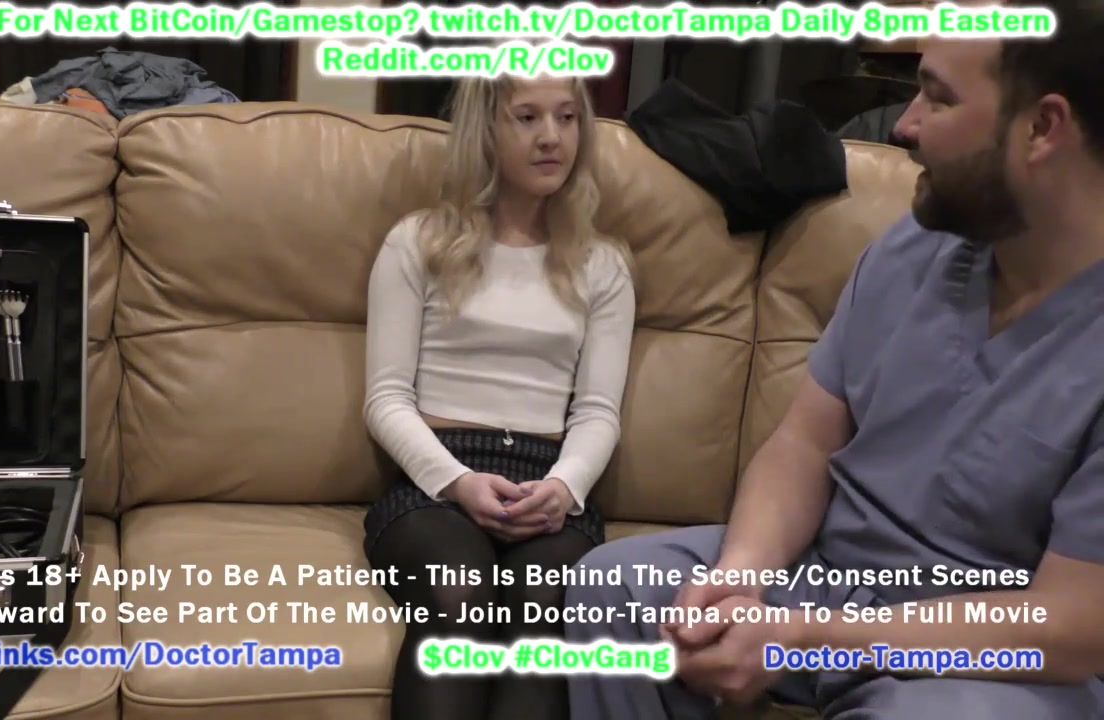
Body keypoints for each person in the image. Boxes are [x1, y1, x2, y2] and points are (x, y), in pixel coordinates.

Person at [564, 0, 1104, 717]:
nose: (904, 125)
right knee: (615, 585)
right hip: (828, 581)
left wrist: (813, 639)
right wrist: (740, 577)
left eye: (938, 98)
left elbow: (1072, 625)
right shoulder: (912, 248)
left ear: (1041, 127)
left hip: (986, 648)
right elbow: (804, 443)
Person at [361, 72, 636, 720]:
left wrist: (565, 486)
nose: (552, 137)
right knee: (459, 590)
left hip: (548, 484)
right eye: (527, 117)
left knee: (545, 605)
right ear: (485, 131)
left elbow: (597, 411)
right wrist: (457, 482)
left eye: (567, 118)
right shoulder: (418, 242)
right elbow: (386, 397)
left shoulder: (603, 266)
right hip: (436, 482)